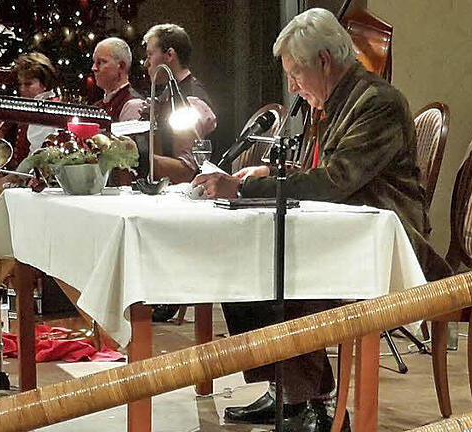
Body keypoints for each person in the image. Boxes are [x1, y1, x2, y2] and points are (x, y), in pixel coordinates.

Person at [192, 8, 451, 431]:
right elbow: (329, 173)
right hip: (344, 238)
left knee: (277, 275)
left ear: (325, 61)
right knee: (242, 266)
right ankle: (288, 395)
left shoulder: (378, 103)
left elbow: (336, 181)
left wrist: (242, 189)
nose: (292, 86)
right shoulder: (336, 101)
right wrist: (270, 175)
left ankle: (315, 404)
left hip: (390, 247)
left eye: (295, 73)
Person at [142, 24, 217, 183]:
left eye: (150, 55)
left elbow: (187, 171)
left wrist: (138, 157)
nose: (146, 63)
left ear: (169, 54)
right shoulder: (167, 94)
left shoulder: (191, 101)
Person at [0, 52, 59, 171]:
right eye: (20, 84)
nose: (22, 89)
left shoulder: (46, 109)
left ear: (44, 84)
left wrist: (13, 178)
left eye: (28, 84)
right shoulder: (30, 106)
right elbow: (3, 137)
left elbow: (36, 158)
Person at [92, 37, 143, 122]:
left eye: (100, 62)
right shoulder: (98, 106)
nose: (94, 68)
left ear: (121, 66)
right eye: (94, 62)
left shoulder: (133, 105)